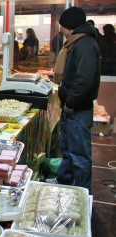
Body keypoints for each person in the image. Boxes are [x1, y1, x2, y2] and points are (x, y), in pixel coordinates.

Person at [48, 7, 100, 191]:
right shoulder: (76, 42)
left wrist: (70, 102)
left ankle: (82, 192)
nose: (60, 29)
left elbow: (84, 80)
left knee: (79, 155)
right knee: (69, 151)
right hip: (72, 107)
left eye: (61, 26)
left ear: (68, 26)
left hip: (77, 109)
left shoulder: (84, 44)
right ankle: (64, 182)